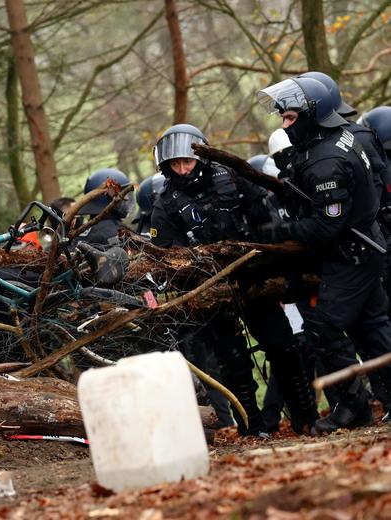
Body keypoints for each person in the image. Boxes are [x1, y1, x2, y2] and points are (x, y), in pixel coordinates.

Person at [150, 123, 318, 436]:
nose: (183, 170)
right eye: (175, 164)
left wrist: (280, 267)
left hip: (254, 280)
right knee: (233, 361)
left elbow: (268, 223)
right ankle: (252, 429)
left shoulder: (233, 179)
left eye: (187, 162)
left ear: (201, 157)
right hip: (210, 292)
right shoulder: (165, 205)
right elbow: (166, 259)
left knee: (282, 346)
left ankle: (306, 418)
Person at [256, 76, 391, 431]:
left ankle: (353, 407)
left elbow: (326, 225)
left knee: (323, 326)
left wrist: (281, 232)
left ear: (312, 114)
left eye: (290, 116)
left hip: (352, 254)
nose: (284, 121)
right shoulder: (334, 138)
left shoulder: (326, 160)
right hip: (362, 247)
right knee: (373, 328)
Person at [74, 168, 132, 246]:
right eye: (122, 194)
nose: (127, 199)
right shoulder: (113, 232)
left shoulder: (83, 229)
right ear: (105, 197)